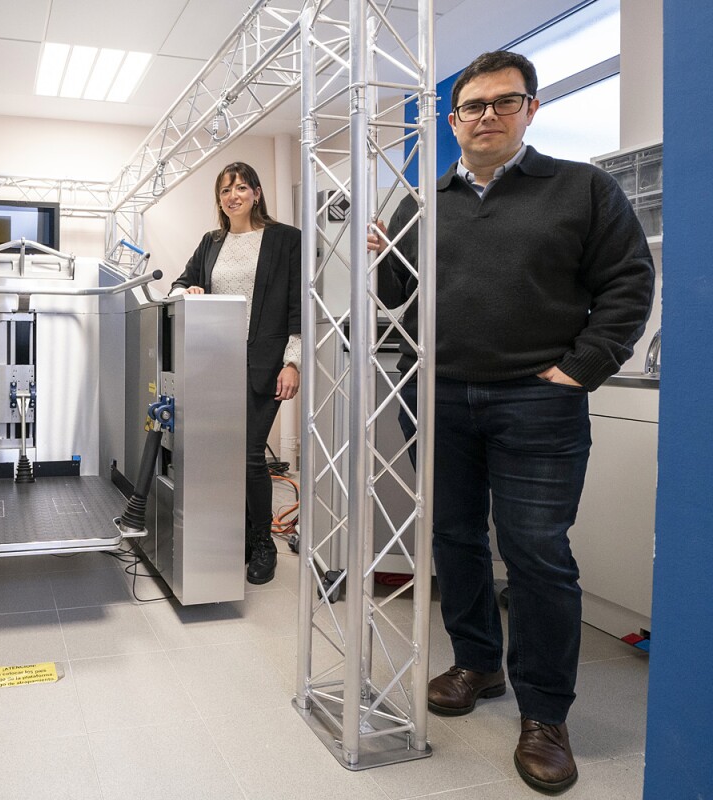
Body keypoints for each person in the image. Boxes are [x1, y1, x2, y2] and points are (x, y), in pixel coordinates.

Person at [369, 50, 654, 792]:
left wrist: (578, 369)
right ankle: (474, 665)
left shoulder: (582, 188)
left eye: (505, 101)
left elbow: (628, 281)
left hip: (538, 398)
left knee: (536, 552)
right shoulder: (420, 201)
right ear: (453, 119)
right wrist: (382, 257)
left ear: (531, 108)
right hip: (437, 395)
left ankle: (545, 714)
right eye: (473, 105)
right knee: (454, 537)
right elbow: (399, 296)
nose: (487, 115)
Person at [171, 162, 301, 586]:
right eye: (226, 190)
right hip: (216, 364)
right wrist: (188, 291)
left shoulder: (285, 240)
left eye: (242, 187)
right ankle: (241, 534)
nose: (233, 196)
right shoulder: (211, 242)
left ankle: (264, 543)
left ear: (257, 193)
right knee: (225, 456)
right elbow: (180, 281)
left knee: (247, 455)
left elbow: (299, 305)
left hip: (263, 364)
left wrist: (293, 362)